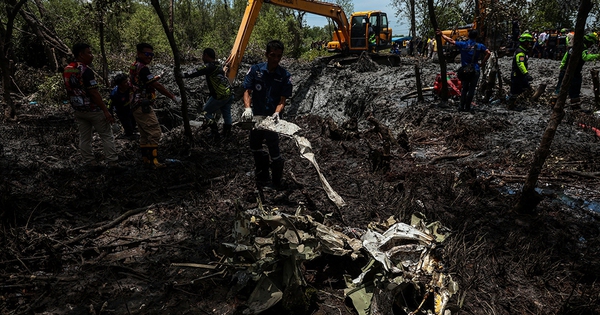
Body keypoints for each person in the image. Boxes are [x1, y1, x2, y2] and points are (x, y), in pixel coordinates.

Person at [240, 40, 293, 189]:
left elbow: (282, 100)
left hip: (271, 119)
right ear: (266, 54)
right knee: (255, 145)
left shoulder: (284, 76)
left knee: (273, 147)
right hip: (256, 116)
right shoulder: (255, 70)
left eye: (279, 56)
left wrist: (277, 113)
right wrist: (247, 109)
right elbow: (247, 91)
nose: (275, 59)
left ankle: (277, 182)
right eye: (272, 55)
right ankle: (262, 177)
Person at [63, 43, 118, 168]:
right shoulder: (86, 71)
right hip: (93, 109)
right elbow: (93, 92)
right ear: (81, 55)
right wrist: (105, 110)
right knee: (106, 135)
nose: (92, 56)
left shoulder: (67, 69)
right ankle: (113, 162)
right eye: (89, 53)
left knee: (85, 137)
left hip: (78, 109)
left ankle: (89, 161)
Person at [129, 43, 181, 169]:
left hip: (135, 104)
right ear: (139, 53)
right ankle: (154, 162)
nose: (150, 57)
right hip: (143, 105)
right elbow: (156, 85)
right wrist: (173, 97)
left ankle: (146, 160)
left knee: (144, 134)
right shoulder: (143, 68)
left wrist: (158, 77)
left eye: (151, 55)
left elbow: (146, 81)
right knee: (155, 132)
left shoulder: (135, 66)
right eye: (147, 54)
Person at [180, 48, 233, 140]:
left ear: (206, 55)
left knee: (205, 112)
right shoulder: (218, 65)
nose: (202, 57)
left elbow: (197, 71)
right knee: (227, 114)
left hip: (219, 95)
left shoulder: (209, 66)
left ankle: (214, 133)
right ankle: (227, 135)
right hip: (229, 93)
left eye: (203, 55)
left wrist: (184, 75)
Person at [437, 29, 491, 112]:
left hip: (465, 70)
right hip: (475, 69)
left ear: (468, 36)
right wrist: (482, 63)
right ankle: (468, 106)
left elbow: (451, 41)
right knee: (472, 89)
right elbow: (488, 53)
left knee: (464, 88)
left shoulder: (463, 44)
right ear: (476, 36)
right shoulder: (479, 46)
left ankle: (461, 106)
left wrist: (441, 35)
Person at [553, 33, 600, 109]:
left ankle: (554, 103)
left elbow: (565, 57)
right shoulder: (583, 48)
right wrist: (597, 56)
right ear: (588, 42)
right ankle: (575, 106)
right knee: (575, 89)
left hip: (564, 70)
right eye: (591, 43)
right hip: (575, 72)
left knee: (560, 87)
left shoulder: (573, 47)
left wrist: (562, 67)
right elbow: (585, 57)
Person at [507, 32, 534, 111]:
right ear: (524, 42)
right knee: (515, 91)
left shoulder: (522, 50)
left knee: (524, 88)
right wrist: (526, 73)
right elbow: (520, 64)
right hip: (517, 74)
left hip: (520, 75)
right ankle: (511, 106)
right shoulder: (520, 52)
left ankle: (517, 103)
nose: (529, 44)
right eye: (528, 42)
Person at [108, 73, 138, 140]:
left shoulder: (131, 87)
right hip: (121, 111)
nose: (127, 83)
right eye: (125, 82)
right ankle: (128, 135)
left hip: (130, 108)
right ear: (120, 85)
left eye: (127, 81)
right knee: (127, 124)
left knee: (133, 122)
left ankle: (132, 131)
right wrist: (111, 116)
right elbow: (109, 105)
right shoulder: (114, 94)